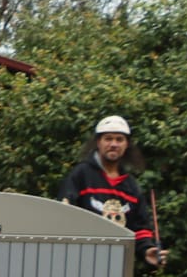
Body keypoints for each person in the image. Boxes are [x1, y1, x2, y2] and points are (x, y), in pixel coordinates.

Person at [58, 114, 166, 266]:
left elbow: (140, 228)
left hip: (117, 264)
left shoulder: (131, 186)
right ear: (98, 142)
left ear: (126, 144)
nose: (114, 144)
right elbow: (64, 215)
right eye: (108, 139)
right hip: (79, 261)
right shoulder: (81, 175)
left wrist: (147, 250)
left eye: (119, 139)